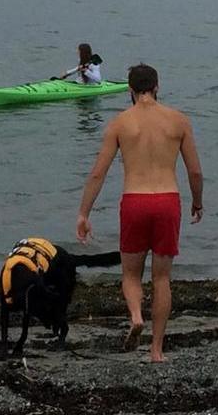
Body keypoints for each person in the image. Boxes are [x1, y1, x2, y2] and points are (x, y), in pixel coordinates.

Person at [75, 64, 203, 362]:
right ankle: (156, 350)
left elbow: (98, 173)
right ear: (157, 87)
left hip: (135, 201)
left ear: (129, 90)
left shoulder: (120, 123)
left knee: (131, 275)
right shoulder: (179, 121)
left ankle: (135, 316)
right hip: (167, 201)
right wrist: (197, 202)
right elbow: (195, 171)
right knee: (162, 279)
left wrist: (83, 213)